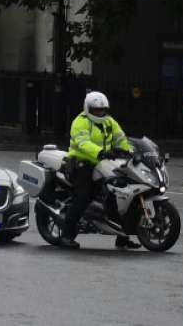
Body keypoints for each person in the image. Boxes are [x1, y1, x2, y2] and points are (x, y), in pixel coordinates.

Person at [59, 91, 138, 250]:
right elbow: (83, 143)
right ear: (88, 108)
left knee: (116, 195)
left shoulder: (109, 122)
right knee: (83, 196)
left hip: (104, 164)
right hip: (82, 164)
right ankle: (66, 235)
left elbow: (121, 138)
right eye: (96, 110)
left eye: (102, 110)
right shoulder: (80, 122)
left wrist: (130, 152)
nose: (99, 112)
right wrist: (100, 152)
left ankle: (122, 238)